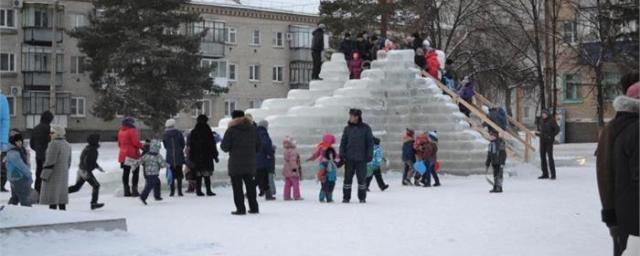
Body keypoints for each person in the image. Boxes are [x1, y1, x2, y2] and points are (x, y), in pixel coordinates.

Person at [596, 73, 639, 256]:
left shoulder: (614, 127)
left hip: (622, 213)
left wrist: (610, 214)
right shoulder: (633, 130)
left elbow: (604, 173)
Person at [220, 110, 261, 215]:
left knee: (237, 187)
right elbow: (259, 146)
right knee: (251, 186)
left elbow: (224, 147)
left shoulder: (231, 130)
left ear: (233, 118)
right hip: (250, 163)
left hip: (235, 163)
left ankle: (240, 209)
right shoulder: (253, 129)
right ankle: (254, 207)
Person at [340, 108, 374, 203]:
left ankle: (362, 197)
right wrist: (342, 154)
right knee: (347, 179)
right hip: (349, 158)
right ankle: (346, 197)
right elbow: (343, 143)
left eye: (352, 116)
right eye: (350, 115)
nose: (350, 117)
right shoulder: (347, 129)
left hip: (361, 159)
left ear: (357, 117)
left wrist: (369, 154)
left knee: (362, 179)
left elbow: (370, 143)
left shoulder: (366, 128)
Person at [68, 134, 105, 210]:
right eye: (98, 140)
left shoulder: (88, 148)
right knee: (96, 185)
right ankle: (93, 203)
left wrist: (97, 167)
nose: (99, 141)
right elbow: (88, 161)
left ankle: (60, 193)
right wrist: (88, 170)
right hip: (85, 171)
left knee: (76, 188)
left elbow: (90, 161)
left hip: (81, 170)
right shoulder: (92, 150)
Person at [39, 125, 72, 210]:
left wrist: (44, 175)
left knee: (52, 199)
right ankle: (63, 217)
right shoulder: (67, 145)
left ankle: (53, 218)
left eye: (52, 132)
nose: (50, 134)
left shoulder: (53, 144)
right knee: (61, 199)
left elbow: (50, 161)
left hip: (53, 175)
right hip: (63, 174)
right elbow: (69, 162)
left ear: (58, 134)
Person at [188, 115, 219, 196]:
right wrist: (215, 155)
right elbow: (212, 144)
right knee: (207, 174)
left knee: (198, 174)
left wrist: (191, 157)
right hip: (207, 155)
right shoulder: (208, 131)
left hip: (197, 156)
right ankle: (208, 190)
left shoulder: (194, 131)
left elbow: (191, 145)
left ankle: (198, 191)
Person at [308, 133, 340, 203]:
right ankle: (328, 197)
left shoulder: (322, 147)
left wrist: (311, 158)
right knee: (330, 182)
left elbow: (316, 154)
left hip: (327, 166)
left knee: (326, 182)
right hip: (330, 166)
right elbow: (336, 156)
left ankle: (323, 197)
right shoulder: (329, 148)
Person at [118, 117, 142, 197]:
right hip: (132, 155)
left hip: (123, 155)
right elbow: (135, 142)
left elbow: (119, 144)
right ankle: (134, 191)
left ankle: (126, 191)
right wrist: (142, 146)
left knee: (126, 172)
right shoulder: (132, 130)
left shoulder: (121, 131)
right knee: (135, 172)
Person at [6, 133, 33, 207]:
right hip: (19, 178)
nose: (20, 142)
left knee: (15, 198)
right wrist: (29, 175)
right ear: (14, 142)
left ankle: (9, 211)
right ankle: (28, 214)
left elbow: (26, 164)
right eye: (17, 141)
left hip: (16, 177)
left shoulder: (20, 151)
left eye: (21, 141)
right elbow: (21, 166)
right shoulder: (13, 153)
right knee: (25, 199)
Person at [30, 110, 53, 194]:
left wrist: (38, 150)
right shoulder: (49, 129)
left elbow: (32, 144)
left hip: (38, 156)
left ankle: (37, 193)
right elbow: (52, 143)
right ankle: (45, 194)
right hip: (48, 157)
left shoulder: (35, 128)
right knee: (48, 175)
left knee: (38, 175)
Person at [139, 140, 167, 205]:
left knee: (157, 182)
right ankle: (143, 196)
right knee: (150, 185)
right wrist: (168, 165)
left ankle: (157, 196)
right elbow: (163, 164)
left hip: (147, 172)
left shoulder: (146, 154)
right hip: (154, 173)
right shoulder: (157, 156)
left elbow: (141, 161)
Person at [163, 119, 186, 197]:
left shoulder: (165, 134)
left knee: (171, 174)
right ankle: (180, 191)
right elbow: (183, 144)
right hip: (179, 156)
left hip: (170, 157)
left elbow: (165, 145)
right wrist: (179, 150)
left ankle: (172, 191)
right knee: (179, 173)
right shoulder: (179, 133)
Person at [537, 109, 559, 180]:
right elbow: (542, 131)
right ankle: (545, 173)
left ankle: (553, 174)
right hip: (542, 140)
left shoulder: (551, 120)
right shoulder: (541, 121)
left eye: (544, 114)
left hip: (549, 141)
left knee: (550, 157)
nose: (543, 115)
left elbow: (557, 129)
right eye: (542, 114)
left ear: (547, 114)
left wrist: (551, 135)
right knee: (542, 157)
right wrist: (539, 134)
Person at [256, 120, 275, 200]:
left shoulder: (255, 132)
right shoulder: (263, 134)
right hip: (263, 159)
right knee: (262, 178)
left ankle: (268, 194)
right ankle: (268, 195)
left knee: (260, 177)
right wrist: (271, 153)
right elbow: (266, 145)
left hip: (256, 159)